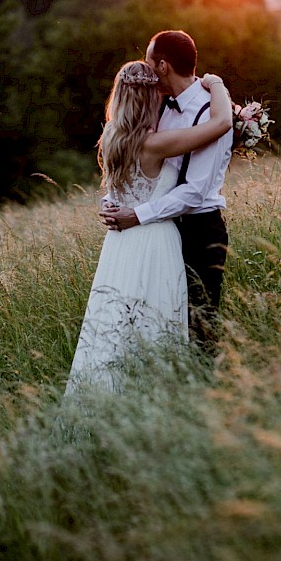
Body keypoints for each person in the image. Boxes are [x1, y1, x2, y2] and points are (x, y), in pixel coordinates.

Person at [66, 61, 233, 395]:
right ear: (148, 99)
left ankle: (111, 393)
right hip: (156, 239)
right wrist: (217, 85)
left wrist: (110, 206)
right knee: (157, 322)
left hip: (120, 243)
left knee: (116, 323)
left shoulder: (112, 136)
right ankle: (158, 394)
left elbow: (116, 191)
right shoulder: (155, 143)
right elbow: (221, 123)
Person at [101, 30, 234, 345]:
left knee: (199, 324)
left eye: (148, 60)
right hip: (160, 230)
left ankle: (201, 391)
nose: (145, 67)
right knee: (154, 322)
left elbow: (195, 191)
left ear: (162, 65)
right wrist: (114, 199)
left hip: (200, 229)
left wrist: (138, 214)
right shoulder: (155, 106)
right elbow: (134, 162)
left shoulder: (210, 109)